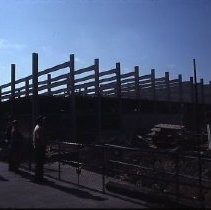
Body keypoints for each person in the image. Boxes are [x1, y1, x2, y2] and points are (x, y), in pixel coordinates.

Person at [33, 116, 48, 182]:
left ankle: (38, 177)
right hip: (40, 148)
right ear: (40, 121)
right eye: (42, 120)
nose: (43, 121)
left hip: (38, 147)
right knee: (40, 163)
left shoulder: (37, 127)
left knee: (39, 163)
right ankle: (39, 178)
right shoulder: (39, 128)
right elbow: (39, 138)